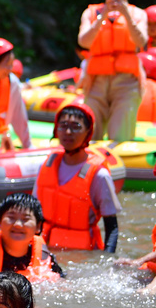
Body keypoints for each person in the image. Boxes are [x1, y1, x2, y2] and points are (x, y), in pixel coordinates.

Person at [33, 105, 121, 252]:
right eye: (63, 126)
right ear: (56, 130)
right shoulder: (47, 165)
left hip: (83, 255)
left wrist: (107, 261)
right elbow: (34, 213)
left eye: (76, 127)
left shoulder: (99, 175)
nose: (68, 132)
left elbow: (111, 226)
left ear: (88, 132)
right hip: (46, 251)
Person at [77, 0, 147, 143]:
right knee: (90, 133)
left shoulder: (138, 13)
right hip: (96, 81)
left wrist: (125, 14)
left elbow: (141, 41)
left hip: (126, 82)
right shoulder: (91, 13)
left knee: (120, 136)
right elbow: (83, 41)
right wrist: (103, 15)